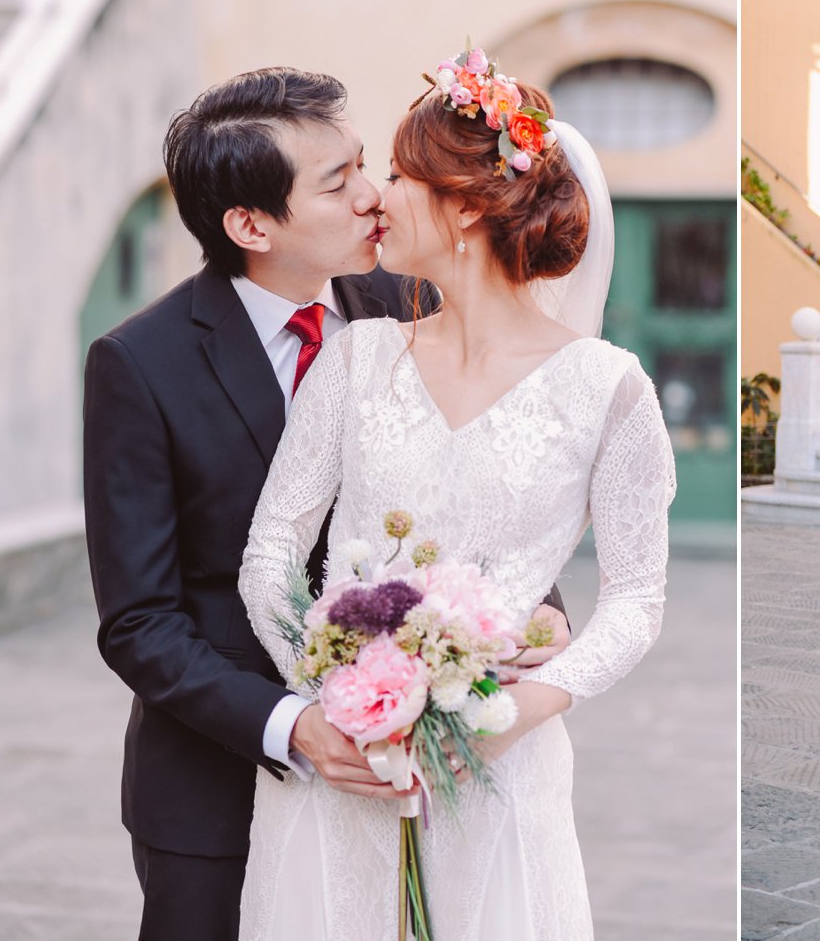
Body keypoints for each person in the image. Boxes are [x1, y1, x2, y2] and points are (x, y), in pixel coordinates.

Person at [82, 68, 569, 941]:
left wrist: (537, 607)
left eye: (363, 167)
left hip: (414, 773)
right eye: (338, 183)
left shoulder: (409, 303)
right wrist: (295, 725)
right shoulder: (139, 365)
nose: (374, 197)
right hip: (220, 789)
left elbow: (483, 479)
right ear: (251, 224)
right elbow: (139, 622)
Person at [236, 53, 677, 939]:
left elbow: (636, 599)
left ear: (468, 205)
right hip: (345, 775)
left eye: (398, 176)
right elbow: (271, 551)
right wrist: (336, 695)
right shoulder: (356, 361)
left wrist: (516, 712)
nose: (377, 196)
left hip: (502, 769)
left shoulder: (608, 388)